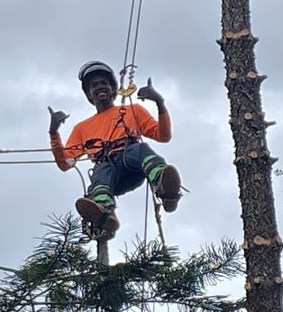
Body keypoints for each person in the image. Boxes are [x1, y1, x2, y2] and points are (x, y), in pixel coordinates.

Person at [48, 61, 182, 240]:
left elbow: (163, 135)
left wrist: (160, 103)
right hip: (111, 176)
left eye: (104, 83)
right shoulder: (82, 128)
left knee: (138, 148)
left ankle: (163, 185)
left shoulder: (132, 111)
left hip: (133, 164)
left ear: (113, 89)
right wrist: (54, 133)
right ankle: (104, 211)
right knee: (102, 168)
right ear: (89, 94)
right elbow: (65, 163)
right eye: (94, 85)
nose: (100, 87)